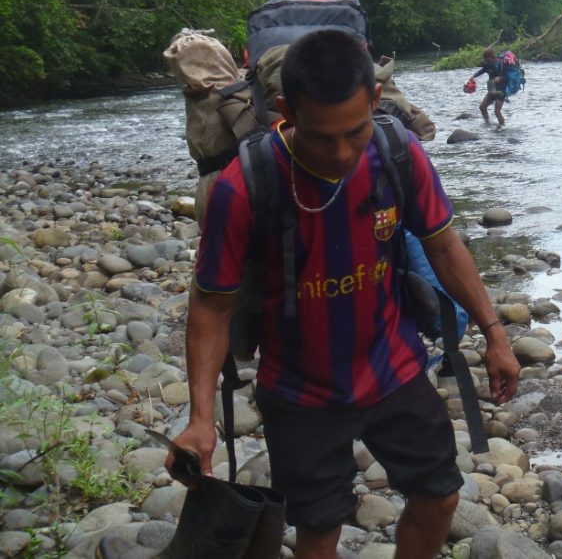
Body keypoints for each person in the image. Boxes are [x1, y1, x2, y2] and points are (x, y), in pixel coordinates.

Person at [173, 30, 520, 559]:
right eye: (321, 137)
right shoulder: (245, 186)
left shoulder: (398, 153)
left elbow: (445, 248)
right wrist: (201, 418)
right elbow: (212, 305)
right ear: (287, 110)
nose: (340, 153)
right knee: (318, 529)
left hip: (394, 370)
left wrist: (495, 333)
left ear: (376, 102)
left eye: (354, 133)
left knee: (440, 496)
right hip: (298, 393)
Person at [467, 47, 506, 127]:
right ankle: (488, 123)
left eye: (487, 58)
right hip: (491, 87)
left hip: (501, 89)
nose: (486, 60)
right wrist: (473, 76)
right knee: (482, 107)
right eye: (485, 58)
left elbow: (507, 77)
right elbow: (482, 70)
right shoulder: (487, 64)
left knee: (497, 111)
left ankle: (502, 127)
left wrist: (500, 78)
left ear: (491, 56)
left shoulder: (500, 64)